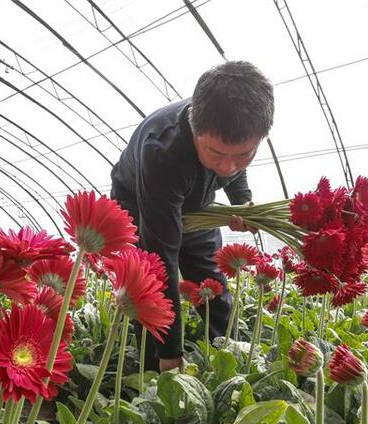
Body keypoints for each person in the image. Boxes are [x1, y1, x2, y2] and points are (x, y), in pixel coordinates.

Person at [110, 61, 275, 372]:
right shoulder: (161, 150)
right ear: (196, 129)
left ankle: (233, 365)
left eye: (244, 155)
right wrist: (170, 354)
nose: (228, 167)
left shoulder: (231, 140)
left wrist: (242, 202)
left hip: (194, 208)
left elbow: (231, 166)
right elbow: (161, 259)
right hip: (141, 207)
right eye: (215, 153)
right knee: (147, 289)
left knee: (215, 290)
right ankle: (151, 375)